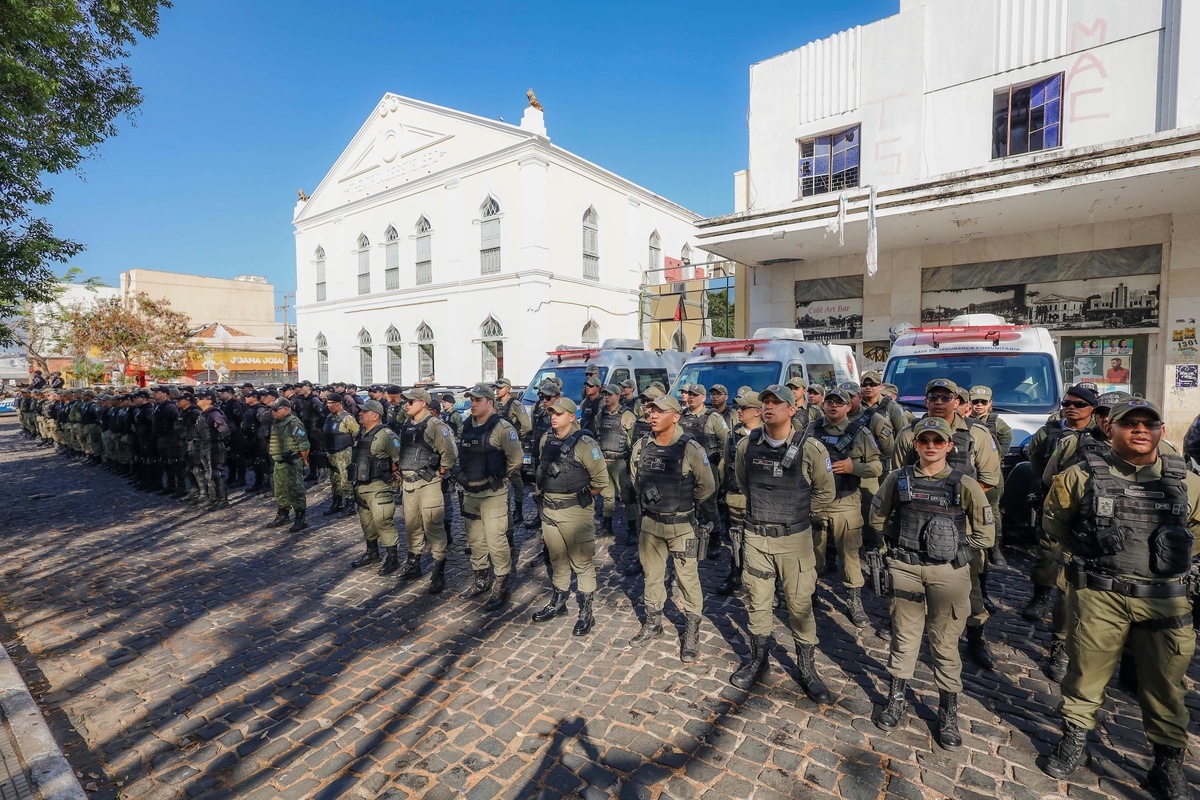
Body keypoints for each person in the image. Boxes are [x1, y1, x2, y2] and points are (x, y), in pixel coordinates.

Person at [1040, 399, 1199, 797]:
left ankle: (1166, 762)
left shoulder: (1188, 482)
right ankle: (1074, 739)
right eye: (1130, 424)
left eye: (1150, 423)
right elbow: (1055, 526)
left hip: (1165, 598)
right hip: (1099, 593)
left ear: (1162, 430)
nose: (1141, 430)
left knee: (1166, 683)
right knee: (1085, 673)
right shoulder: (1080, 477)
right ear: (1111, 428)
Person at [867, 416, 995, 749]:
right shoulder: (899, 479)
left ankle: (948, 710)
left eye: (938, 441)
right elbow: (877, 517)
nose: (931, 447)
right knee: (904, 637)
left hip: (947, 574)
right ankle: (896, 699)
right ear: (916, 444)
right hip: (906, 569)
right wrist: (891, 553)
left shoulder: (963, 484)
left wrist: (957, 555)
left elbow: (985, 533)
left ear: (949, 446)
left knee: (945, 643)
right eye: (925, 441)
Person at [729, 384, 837, 699]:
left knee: (800, 604)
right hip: (757, 538)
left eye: (778, 402)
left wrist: (795, 515)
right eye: (766, 402)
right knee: (758, 601)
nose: (770, 406)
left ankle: (807, 668)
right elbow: (744, 483)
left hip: (795, 541)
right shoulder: (747, 446)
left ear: (793, 410)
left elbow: (825, 493)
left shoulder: (813, 449)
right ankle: (758, 660)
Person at [893, 379, 1002, 670]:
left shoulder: (976, 434)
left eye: (946, 397)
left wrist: (956, 501)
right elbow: (897, 479)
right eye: (933, 396)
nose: (939, 401)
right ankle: (912, 637)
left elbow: (989, 479)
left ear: (957, 401)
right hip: (915, 523)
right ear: (925, 401)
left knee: (971, 586)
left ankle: (976, 635)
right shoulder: (907, 434)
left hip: (960, 526)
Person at [626, 393, 717, 662]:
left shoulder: (691, 448)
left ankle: (691, 630)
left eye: (660, 411)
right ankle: (653, 623)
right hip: (651, 525)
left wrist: (684, 505)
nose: (653, 415)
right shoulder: (641, 446)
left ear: (676, 416)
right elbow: (635, 480)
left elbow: (707, 487)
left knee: (688, 579)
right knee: (651, 576)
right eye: (651, 410)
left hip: (682, 527)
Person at [531, 396, 609, 635]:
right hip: (549, 511)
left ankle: (586, 612)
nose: (553, 416)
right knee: (557, 559)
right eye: (552, 413)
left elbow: (601, 481)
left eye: (559, 413)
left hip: (575, 512)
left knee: (582, 564)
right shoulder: (547, 439)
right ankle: (559, 602)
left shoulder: (585, 443)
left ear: (571, 416)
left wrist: (581, 497)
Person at [1023, 386, 1101, 622]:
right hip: (1054, 497)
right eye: (1067, 404)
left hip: (1091, 501)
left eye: (1079, 405)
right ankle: (1040, 596)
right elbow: (1036, 463)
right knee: (1047, 548)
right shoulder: (1047, 433)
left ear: (1092, 409)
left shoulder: (1099, 433)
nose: (1071, 409)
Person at [811, 384, 883, 627]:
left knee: (850, 556)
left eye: (838, 402)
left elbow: (877, 466)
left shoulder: (859, 433)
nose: (833, 405)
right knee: (812, 554)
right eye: (829, 401)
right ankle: (810, 596)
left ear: (848, 406)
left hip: (846, 502)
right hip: (816, 502)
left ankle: (855, 602)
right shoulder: (811, 430)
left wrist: (855, 468)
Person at [455, 384, 525, 611]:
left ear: (489, 403)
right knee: (475, 540)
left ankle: (501, 583)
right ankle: (481, 579)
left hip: (493, 494)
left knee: (496, 540)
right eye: (471, 400)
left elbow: (516, 458)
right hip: (470, 492)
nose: (472, 404)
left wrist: (502, 477)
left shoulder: (502, 428)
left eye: (477, 400)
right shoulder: (467, 424)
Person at [394, 388, 457, 591]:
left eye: (411, 402)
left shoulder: (436, 425)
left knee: (434, 527)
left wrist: (440, 471)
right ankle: (414, 564)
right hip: (409, 483)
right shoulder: (407, 425)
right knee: (412, 526)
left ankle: (438, 573)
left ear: (423, 403)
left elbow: (449, 453)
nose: (407, 404)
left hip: (428, 484)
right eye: (406, 401)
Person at [346, 400, 403, 570]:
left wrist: (394, 475)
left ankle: (392, 558)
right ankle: (372, 553)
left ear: (375, 415)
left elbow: (398, 457)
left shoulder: (386, 434)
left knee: (383, 521)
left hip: (379, 487)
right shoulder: (363, 432)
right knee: (367, 522)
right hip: (362, 485)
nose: (360, 414)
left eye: (365, 412)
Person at [716, 388, 762, 595]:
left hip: (760, 499)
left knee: (761, 542)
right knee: (736, 539)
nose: (739, 411)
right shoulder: (732, 435)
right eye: (738, 407)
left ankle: (764, 582)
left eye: (744, 407)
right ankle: (735, 573)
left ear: (758, 411)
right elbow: (725, 463)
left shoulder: (768, 434)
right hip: (735, 497)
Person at [679, 383, 729, 559]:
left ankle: (714, 538)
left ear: (702, 398)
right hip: (685, 468)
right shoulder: (682, 416)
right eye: (689, 394)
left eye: (695, 394)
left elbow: (726, 441)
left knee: (708, 505)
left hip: (708, 467)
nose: (691, 397)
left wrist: (719, 464)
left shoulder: (713, 417)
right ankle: (689, 538)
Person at [967, 385, 1012, 568]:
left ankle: (995, 547)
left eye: (983, 402)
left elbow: (1005, 442)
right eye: (975, 401)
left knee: (992, 511)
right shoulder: (963, 420)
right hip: (969, 471)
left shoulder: (997, 423)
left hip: (991, 474)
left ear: (990, 403)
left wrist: (993, 456)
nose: (979, 405)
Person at [595, 384, 637, 538]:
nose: (606, 397)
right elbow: (598, 433)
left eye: (610, 394)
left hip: (620, 463)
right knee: (607, 495)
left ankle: (632, 529)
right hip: (604, 461)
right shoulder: (601, 414)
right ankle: (607, 526)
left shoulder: (627, 415)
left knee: (627, 497)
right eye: (605, 394)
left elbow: (633, 439)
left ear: (618, 396)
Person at [265, 397, 310, 532]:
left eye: (276, 410)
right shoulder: (277, 423)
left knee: (295, 490)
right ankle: (283, 514)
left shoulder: (294, 423)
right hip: (279, 462)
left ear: (286, 409)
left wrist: (304, 460)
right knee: (280, 490)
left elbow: (304, 445)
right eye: (272, 410)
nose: (273, 412)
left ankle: (300, 518)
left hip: (292, 462)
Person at [493, 377, 533, 527]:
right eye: (496, 387)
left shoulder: (515, 405)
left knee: (515, 479)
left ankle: (519, 510)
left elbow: (527, 426)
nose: (498, 389)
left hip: (511, 447)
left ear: (508, 389)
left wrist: (515, 439)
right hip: (498, 447)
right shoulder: (495, 404)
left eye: (500, 387)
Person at [321, 393, 360, 516]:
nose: (330, 406)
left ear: (340, 404)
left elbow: (357, 433)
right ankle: (337, 502)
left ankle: (350, 504)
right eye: (328, 403)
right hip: (331, 452)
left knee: (346, 478)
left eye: (333, 404)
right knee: (334, 479)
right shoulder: (328, 417)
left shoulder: (347, 418)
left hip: (344, 452)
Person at [194, 391, 231, 510]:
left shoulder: (214, 413)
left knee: (216, 473)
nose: (197, 400)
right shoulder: (203, 413)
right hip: (205, 445)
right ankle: (214, 497)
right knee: (208, 473)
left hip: (214, 446)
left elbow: (224, 430)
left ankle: (223, 500)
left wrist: (221, 442)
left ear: (209, 400)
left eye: (200, 398)